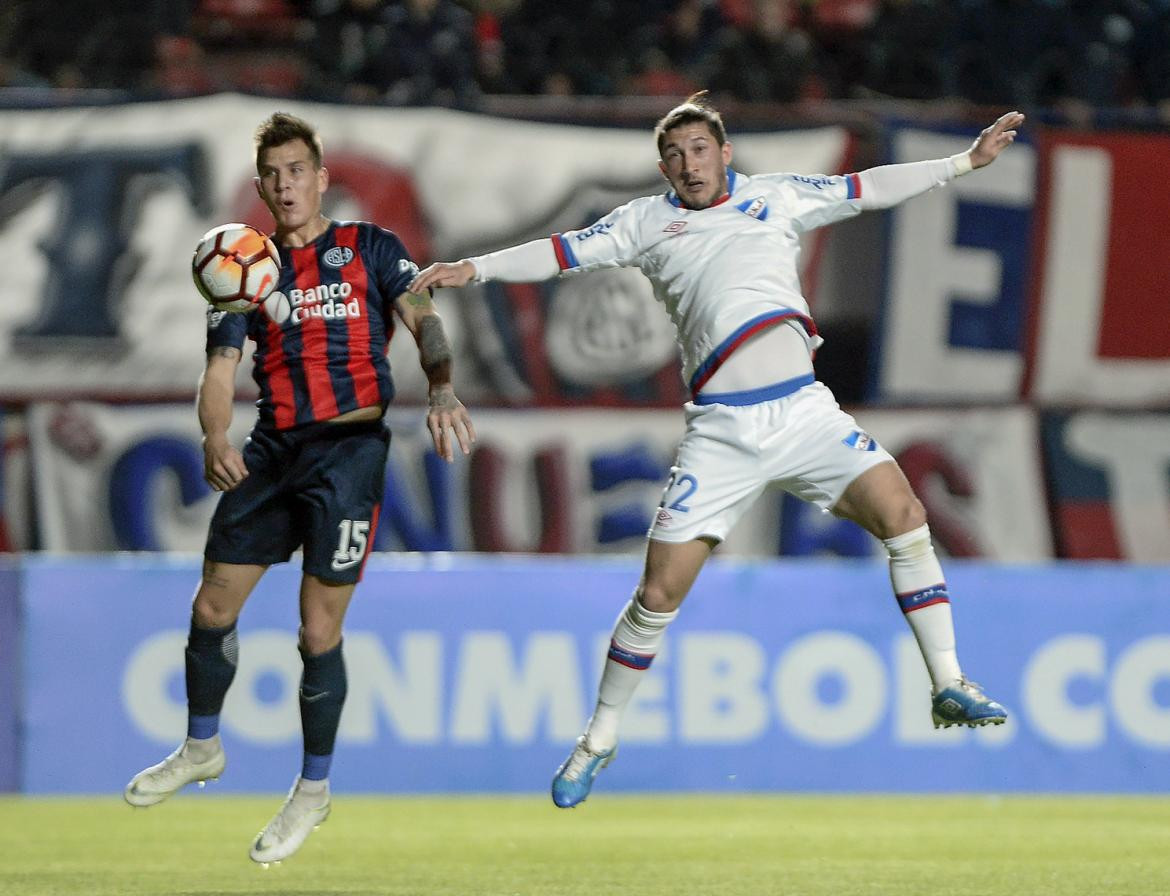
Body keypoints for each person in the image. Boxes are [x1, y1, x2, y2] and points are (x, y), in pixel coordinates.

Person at [409, 92, 1019, 808]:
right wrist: (473, 269)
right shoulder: (644, 222)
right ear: (663, 166)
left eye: (699, 149)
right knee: (658, 594)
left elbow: (868, 189)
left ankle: (947, 682)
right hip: (723, 434)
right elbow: (560, 253)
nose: (688, 164)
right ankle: (598, 738)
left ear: (725, 153)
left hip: (803, 413)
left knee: (904, 514)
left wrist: (962, 163)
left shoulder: (779, 197)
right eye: (674, 154)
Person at [125, 112, 475, 861]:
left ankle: (312, 790)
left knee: (318, 630)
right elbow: (218, 375)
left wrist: (442, 386)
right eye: (272, 176)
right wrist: (214, 436)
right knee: (211, 606)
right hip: (273, 451)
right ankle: (201, 747)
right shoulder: (242, 269)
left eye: (297, 171)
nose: (286, 186)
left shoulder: (369, 248)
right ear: (260, 187)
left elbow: (423, 317)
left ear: (321, 178)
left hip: (348, 452)